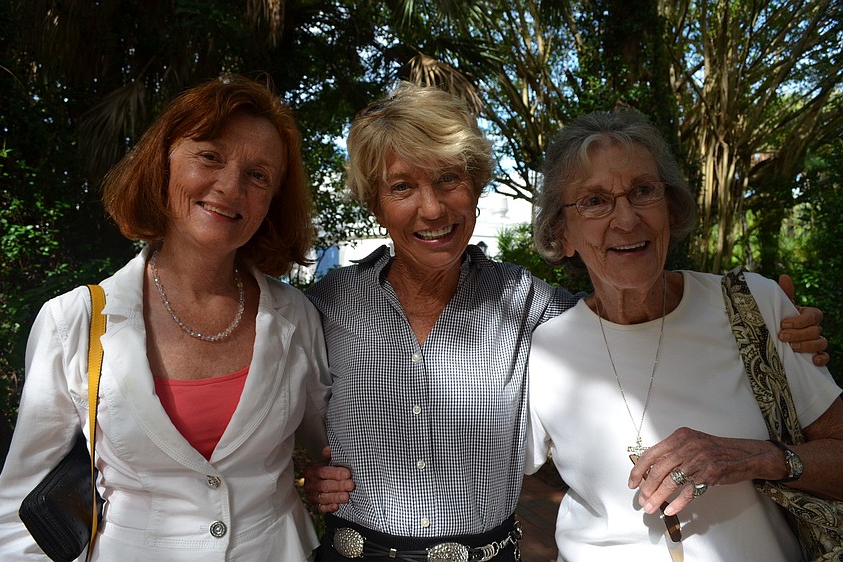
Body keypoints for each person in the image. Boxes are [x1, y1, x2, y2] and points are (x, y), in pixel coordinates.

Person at [302, 82, 828, 560]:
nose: (433, 208)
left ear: (478, 189)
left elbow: (626, 297)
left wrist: (781, 329)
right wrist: (300, 471)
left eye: (449, 179)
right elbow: (265, 404)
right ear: (375, 202)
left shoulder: (529, 305)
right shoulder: (324, 305)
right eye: (401, 188)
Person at [0, 75, 330, 561]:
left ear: (272, 202)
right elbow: (18, 509)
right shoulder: (75, 321)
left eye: (258, 176)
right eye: (210, 156)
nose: (230, 187)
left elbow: (337, 449)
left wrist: (333, 479)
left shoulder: (297, 316)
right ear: (163, 164)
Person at [526, 108, 843, 561]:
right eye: (595, 201)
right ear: (562, 232)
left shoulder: (753, 307)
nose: (627, 219)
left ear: (670, 210)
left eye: (643, 191)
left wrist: (759, 457)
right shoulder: (544, 349)